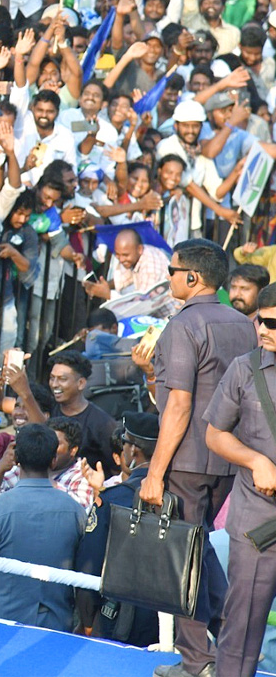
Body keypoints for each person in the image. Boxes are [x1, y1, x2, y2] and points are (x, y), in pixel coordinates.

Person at [143, 239, 257, 677]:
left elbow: (179, 405)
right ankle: (226, 642)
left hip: (188, 458)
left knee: (183, 558)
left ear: (192, 278)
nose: (167, 276)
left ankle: (197, 661)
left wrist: (155, 473)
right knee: (200, 548)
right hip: (230, 457)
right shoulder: (245, 325)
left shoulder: (183, 325)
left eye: (172, 270)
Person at [206, 283, 276, 677]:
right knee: (242, 631)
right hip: (257, 522)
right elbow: (215, 434)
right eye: (259, 320)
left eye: (272, 322)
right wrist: (254, 460)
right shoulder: (243, 368)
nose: (262, 329)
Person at [0, 423, 87, 631]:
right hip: (58, 628)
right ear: (53, 460)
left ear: (17, 459)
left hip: (3, 625)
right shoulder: (75, 510)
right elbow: (84, 574)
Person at [76, 411, 162, 647]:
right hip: (175, 621)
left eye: (124, 442)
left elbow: (88, 568)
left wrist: (88, 623)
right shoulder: (184, 496)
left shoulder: (114, 498)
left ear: (133, 450)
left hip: (122, 621)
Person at [48, 351, 117, 476]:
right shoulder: (48, 409)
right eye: (52, 378)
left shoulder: (102, 424)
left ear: (81, 383)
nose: (54, 384)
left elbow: (116, 469)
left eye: (62, 379)